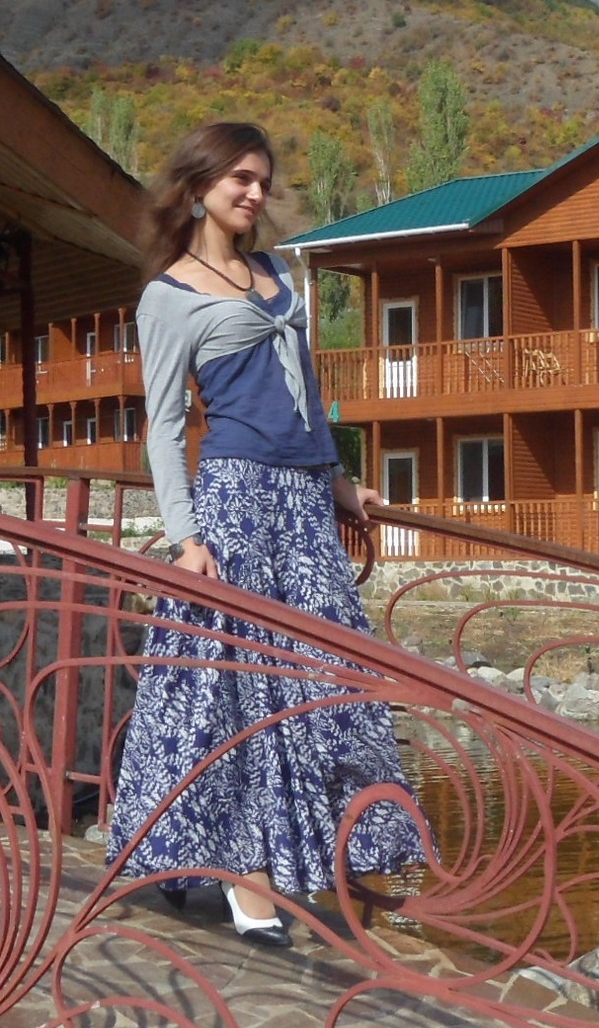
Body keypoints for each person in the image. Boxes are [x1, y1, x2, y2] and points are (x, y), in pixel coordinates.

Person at [105, 121, 425, 947]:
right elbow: (163, 427)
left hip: (306, 507)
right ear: (198, 186)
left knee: (327, 680)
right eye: (239, 179)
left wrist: (339, 480)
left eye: (262, 180)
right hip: (237, 504)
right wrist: (185, 539)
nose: (254, 193)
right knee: (240, 692)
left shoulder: (278, 273)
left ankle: (326, 856)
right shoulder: (168, 296)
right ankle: (248, 881)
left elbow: (307, 394)